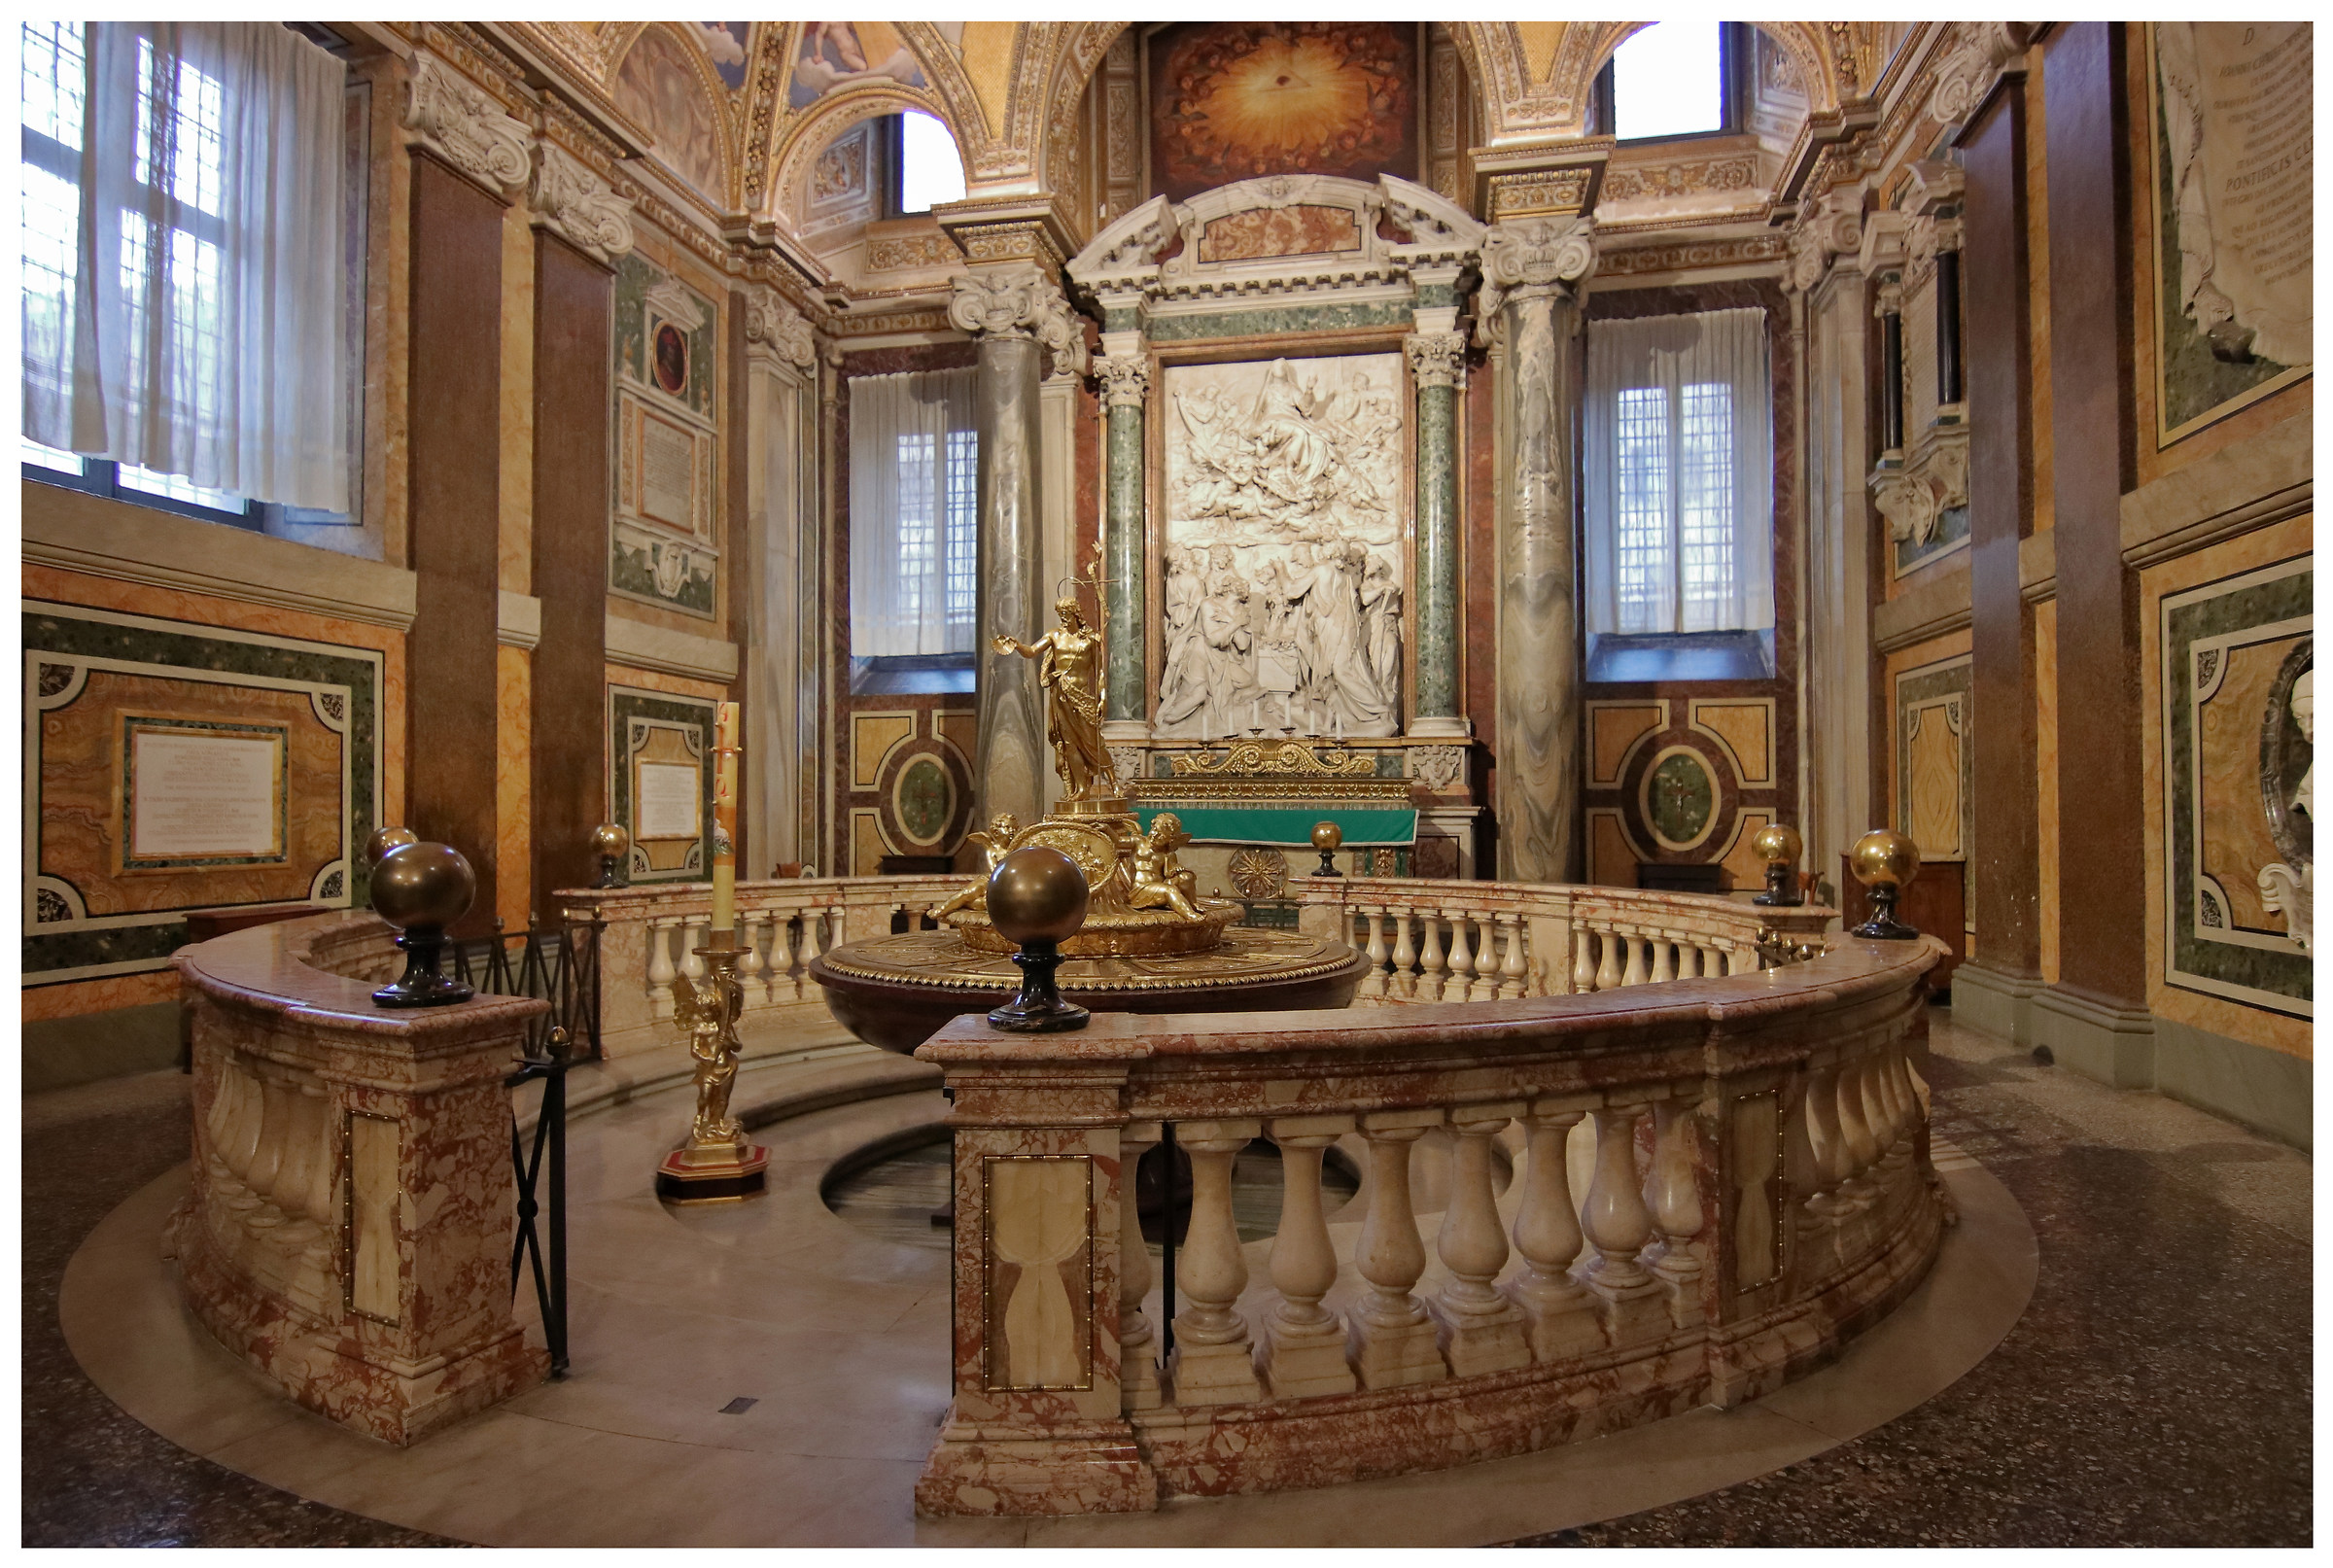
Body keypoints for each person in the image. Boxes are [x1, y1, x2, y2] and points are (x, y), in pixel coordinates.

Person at [993, 598, 1117, 800]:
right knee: (1069, 745)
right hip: (1060, 697)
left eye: (1066, 615)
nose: (1063, 620)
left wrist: (1103, 698)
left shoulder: (1090, 639)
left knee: (1092, 740)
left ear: (1076, 614)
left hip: (1082, 697)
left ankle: (1113, 782)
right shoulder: (1054, 636)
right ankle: (1081, 789)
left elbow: (1100, 673)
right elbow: (1032, 651)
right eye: (1060, 616)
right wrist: (1016, 644)